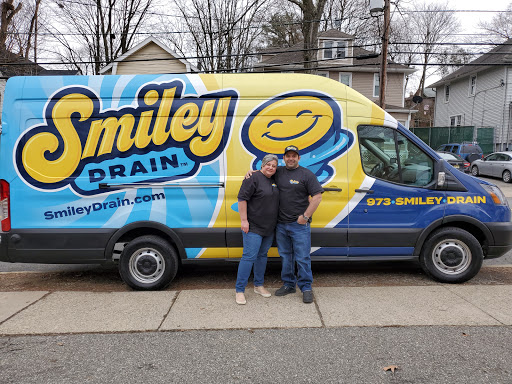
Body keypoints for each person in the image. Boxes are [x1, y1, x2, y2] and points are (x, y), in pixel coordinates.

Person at [245, 145, 323, 304]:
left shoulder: (306, 174)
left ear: (299, 158)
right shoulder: (278, 172)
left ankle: (306, 287)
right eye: (288, 156)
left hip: (299, 225)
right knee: (286, 256)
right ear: (284, 158)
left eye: (294, 156)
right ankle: (289, 284)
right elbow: (264, 173)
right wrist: (251, 172)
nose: (291, 158)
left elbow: (317, 197)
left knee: (302, 257)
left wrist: (306, 216)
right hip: (280, 225)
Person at [235, 154, 280, 305]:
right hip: (253, 226)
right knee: (249, 257)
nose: (271, 168)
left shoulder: (274, 179)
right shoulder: (252, 178)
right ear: (262, 165)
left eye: (274, 166)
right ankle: (239, 290)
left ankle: (258, 285)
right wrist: (244, 220)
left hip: (269, 227)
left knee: (262, 256)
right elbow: (242, 199)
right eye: (268, 164)